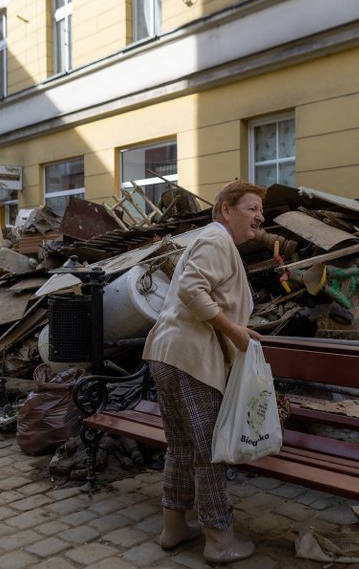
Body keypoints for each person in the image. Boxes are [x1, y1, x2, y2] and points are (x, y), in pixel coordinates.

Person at [142, 180, 266, 563]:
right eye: (251, 208)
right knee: (209, 451)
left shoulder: (209, 240)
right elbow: (193, 289)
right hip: (191, 358)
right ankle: (219, 540)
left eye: (262, 211)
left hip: (167, 353)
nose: (260, 216)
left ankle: (174, 528)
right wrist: (235, 332)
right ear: (226, 210)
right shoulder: (217, 241)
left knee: (181, 447)